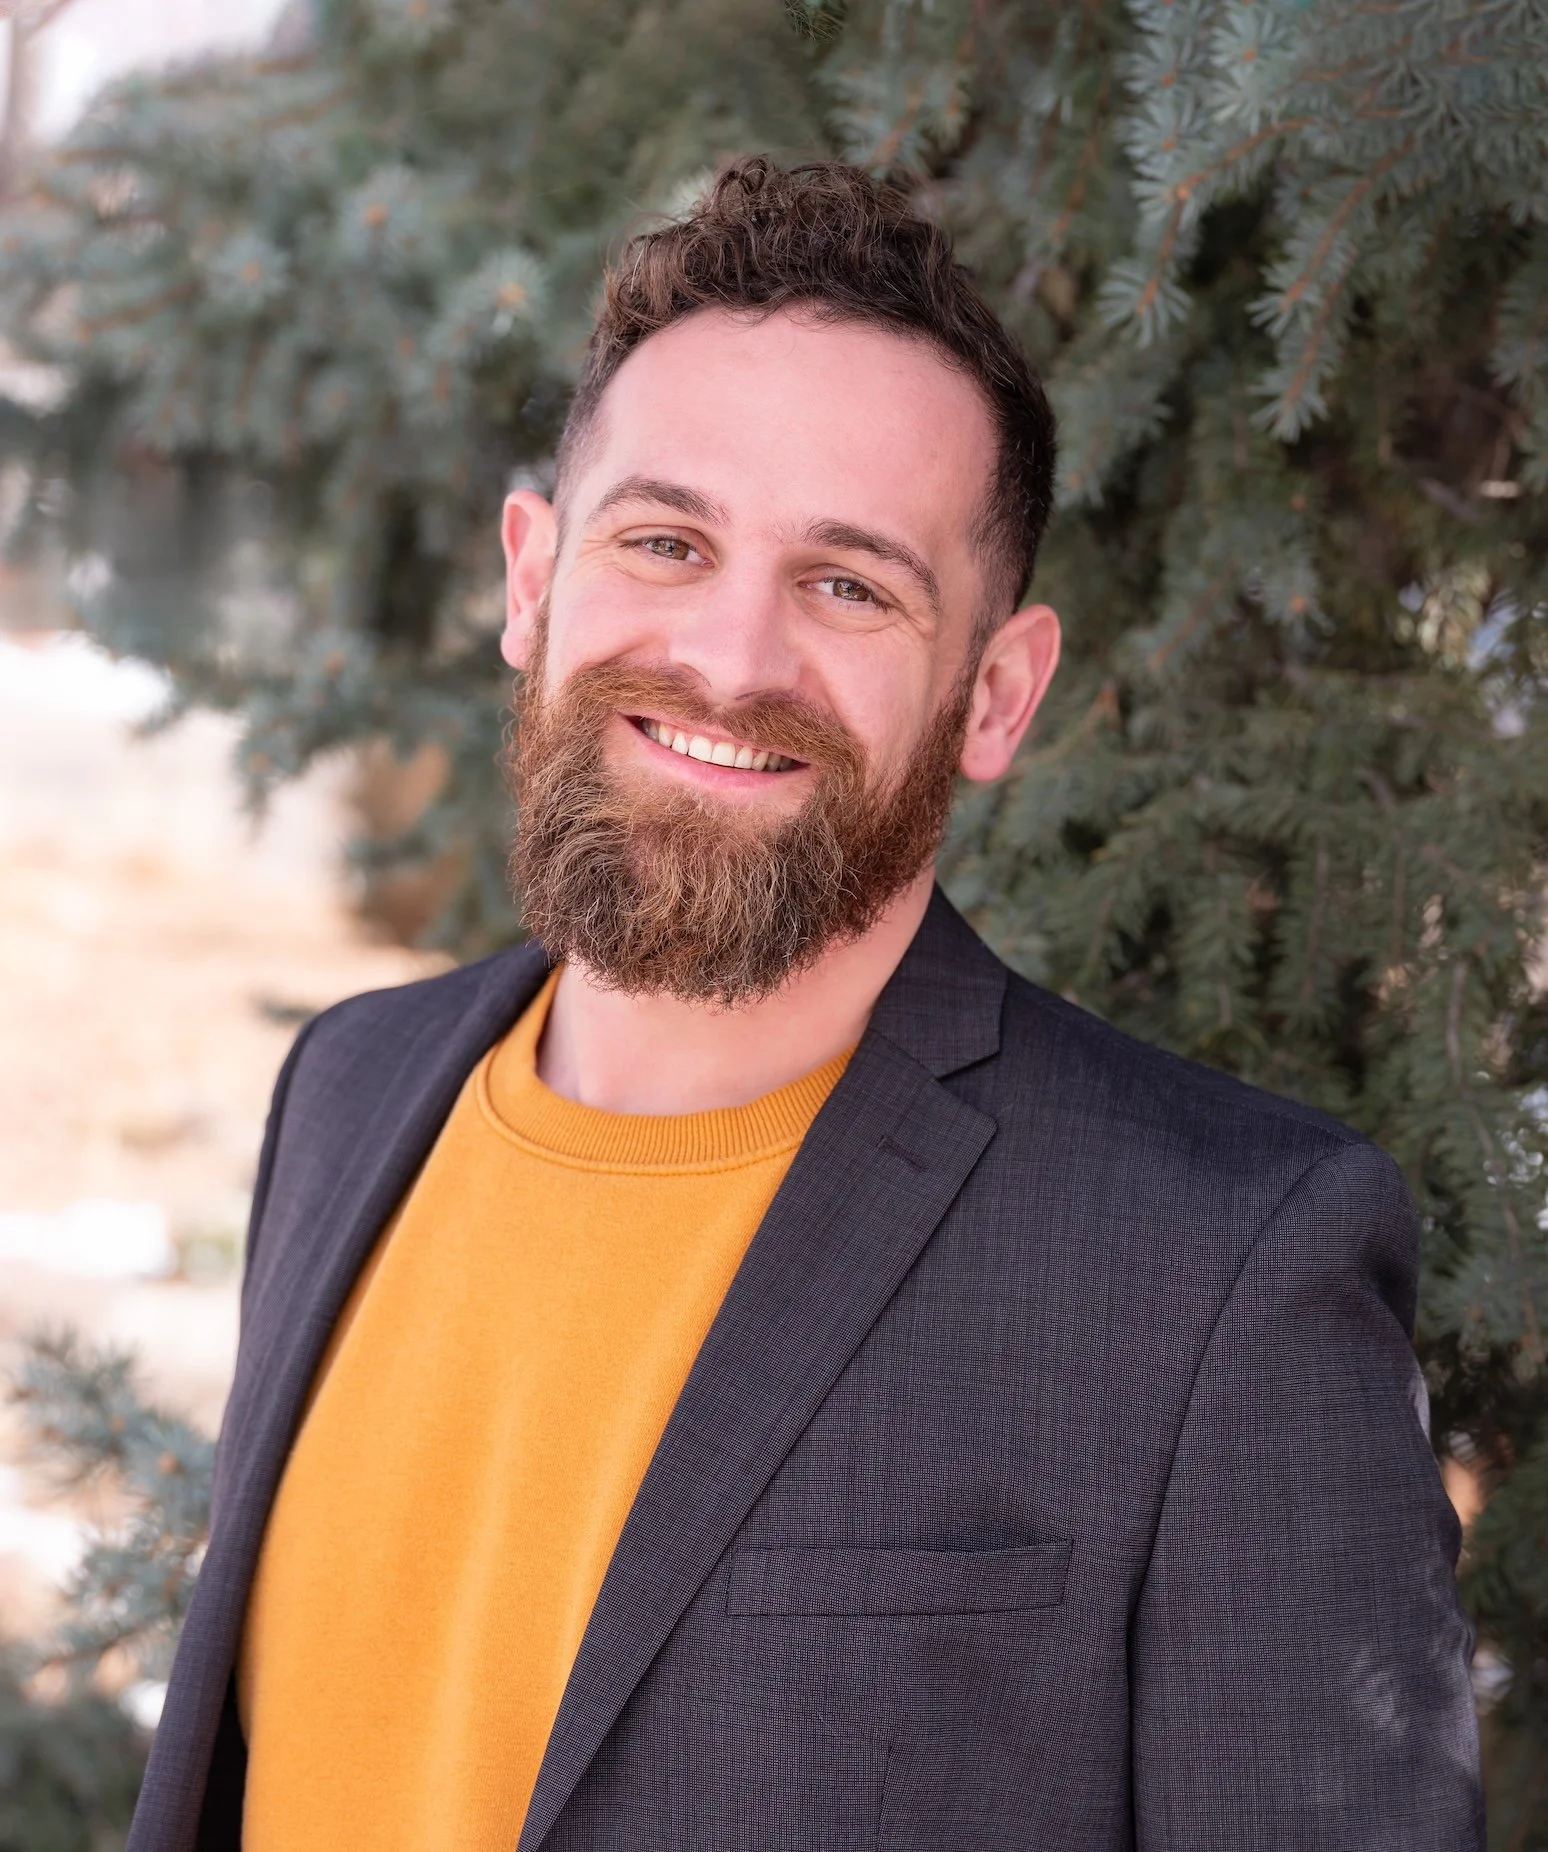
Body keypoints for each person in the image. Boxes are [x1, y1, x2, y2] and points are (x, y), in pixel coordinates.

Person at [128, 158, 1483, 1852]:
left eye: (850, 584)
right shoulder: (347, 1090)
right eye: (664, 539)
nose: (731, 656)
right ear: (532, 581)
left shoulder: (1220, 1271)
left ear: (997, 692)